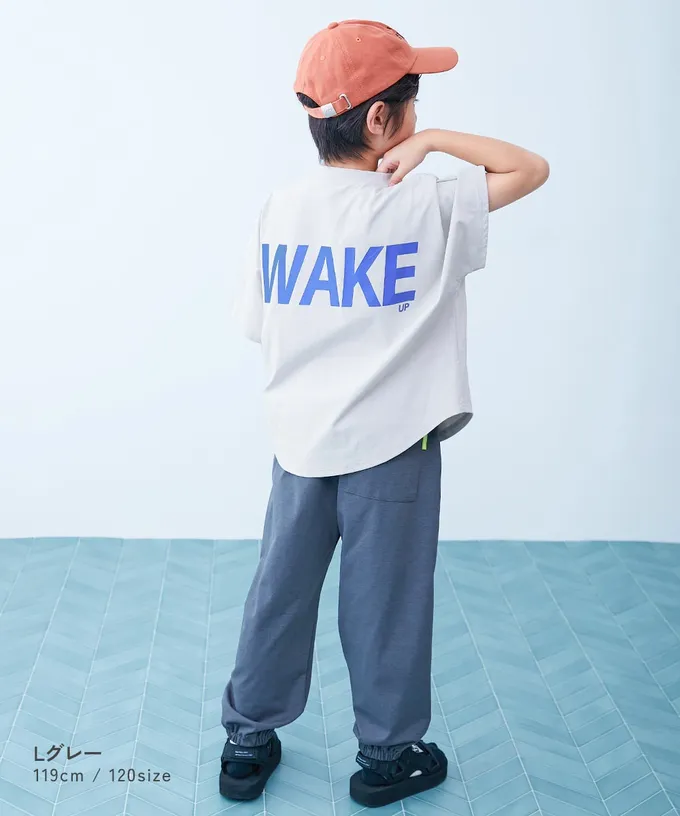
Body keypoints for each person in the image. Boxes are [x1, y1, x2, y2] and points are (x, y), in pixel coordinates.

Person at [219, 18, 549, 809]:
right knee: (386, 603)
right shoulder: (427, 203)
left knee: (280, 591)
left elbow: (258, 324)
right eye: (414, 105)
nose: (417, 117)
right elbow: (530, 168)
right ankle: (387, 757)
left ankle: (246, 744)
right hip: (396, 445)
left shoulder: (281, 207)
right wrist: (432, 144)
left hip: (300, 442)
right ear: (380, 119)